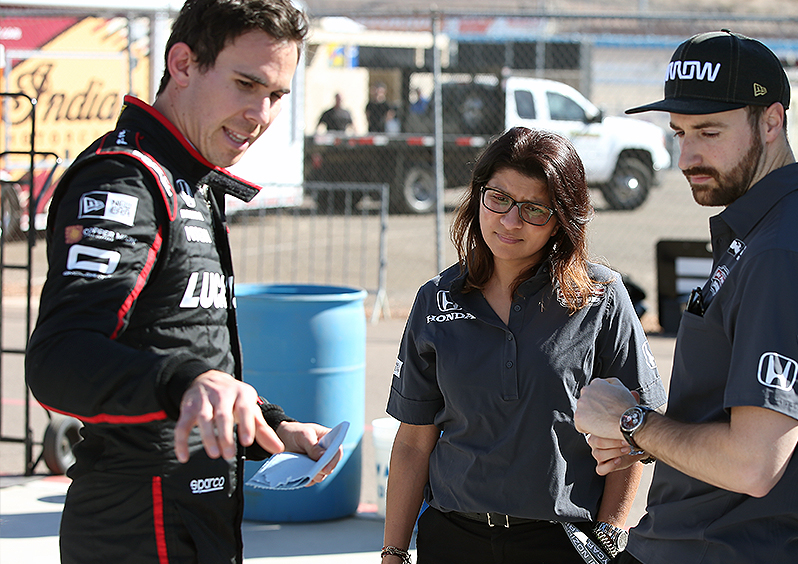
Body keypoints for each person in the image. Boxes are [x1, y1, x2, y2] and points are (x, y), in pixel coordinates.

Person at [24, 1, 342, 563]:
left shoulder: (190, 180)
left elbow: (179, 351)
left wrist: (272, 428)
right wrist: (191, 381)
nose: (259, 114)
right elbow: (59, 361)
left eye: (276, 96)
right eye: (246, 84)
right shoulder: (127, 181)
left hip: (197, 516)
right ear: (183, 64)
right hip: (136, 525)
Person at [573, 30, 798, 564]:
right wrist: (643, 437)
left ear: (772, 121)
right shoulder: (766, 234)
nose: (688, 155)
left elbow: (754, 462)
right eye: (679, 132)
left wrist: (632, 423)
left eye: (709, 131)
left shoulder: (783, 254)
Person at [380, 126, 667, 564]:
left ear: (561, 221)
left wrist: (609, 536)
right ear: (478, 196)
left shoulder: (601, 297)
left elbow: (634, 431)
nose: (510, 221)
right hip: (452, 538)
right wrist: (393, 553)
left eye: (534, 209)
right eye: (498, 199)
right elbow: (414, 443)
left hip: (563, 543)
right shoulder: (435, 300)